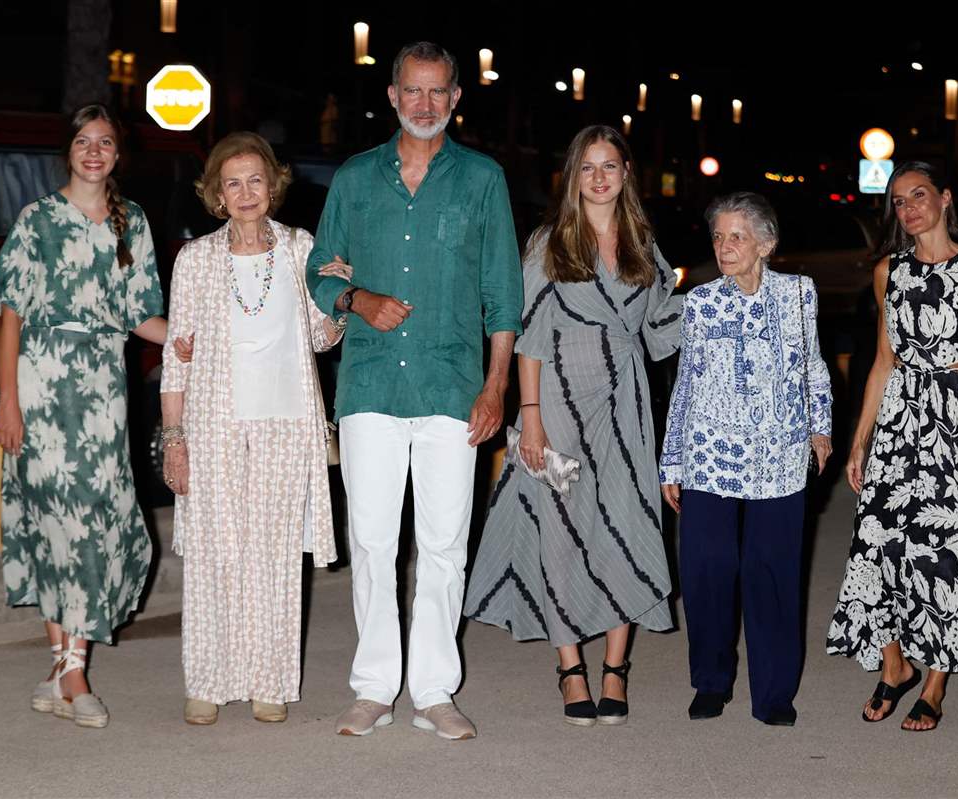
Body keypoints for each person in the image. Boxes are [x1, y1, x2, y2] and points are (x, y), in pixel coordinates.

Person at [305, 41, 523, 741]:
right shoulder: (356, 178)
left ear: (456, 99)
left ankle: (433, 689)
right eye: (413, 92)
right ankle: (374, 686)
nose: (425, 105)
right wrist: (357, 298)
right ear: (393, 97)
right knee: (371, 539)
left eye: (438, 93)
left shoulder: (482, 180)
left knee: (443, 542)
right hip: (370, 383)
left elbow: (504, 294)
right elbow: (320, 269)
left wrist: (496, 387)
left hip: (452, 385)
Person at [463, 125, 681, 727]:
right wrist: (529, 421)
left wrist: (731, 300)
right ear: (573, 176)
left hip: (627, 406)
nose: (599, 177)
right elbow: (528, 339)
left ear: (627, 173)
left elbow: (665, 328)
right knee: (560, 533)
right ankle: (569, 668)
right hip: (557, 401)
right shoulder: (549, 243)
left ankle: (616, 668)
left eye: (609, 166)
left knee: (629, 526)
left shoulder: (642, 243)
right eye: (588, 168)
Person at [826, 161, 958, 731]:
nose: (909, 208)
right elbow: (881, 361)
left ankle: (935, 682)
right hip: (900, 419)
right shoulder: (888, 272)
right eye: (898, 201)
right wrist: (859, 442)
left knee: (949, 546)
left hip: (956, 415)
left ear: (945, 199)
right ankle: (893, 664)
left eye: (918, 195)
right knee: (882, 541)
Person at [0, 104, 171, 728]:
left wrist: (193, 338)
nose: (94, 151)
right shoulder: (37, 220)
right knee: (55, 522)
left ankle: (60, 671)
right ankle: (74, 673)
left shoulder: (131, 222)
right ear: (68, 151)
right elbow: (10, 313)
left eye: (106, 142)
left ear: (119, 154)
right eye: (83, 141)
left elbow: (141, 314)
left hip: (104, 390)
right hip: (40, 384)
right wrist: (9, 401)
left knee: (97, 519)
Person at [159, 132, 350, 725]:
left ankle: (269, 680)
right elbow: (176, 355)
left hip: (287, 426)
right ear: (216, 194)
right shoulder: (196, 259)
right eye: (232, 183)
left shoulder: (300, 249)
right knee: (217, 556)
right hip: (214, 425)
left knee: (272, 559)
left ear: (273, 187)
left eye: (255, 181)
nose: (244, 193)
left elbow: (321, 338)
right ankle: (209, 681)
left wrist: (339, 295)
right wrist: (174, 439)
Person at [659, 192, 833, 727]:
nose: (725, 246)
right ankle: (711, 681)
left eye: (737, 236)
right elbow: (685, 383)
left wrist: (820, 427)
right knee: (708, 568)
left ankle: (774, 693)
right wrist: (672, 461)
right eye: (718, 236)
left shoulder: (799, 294)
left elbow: (813, 365)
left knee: (772, 572)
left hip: (779, 451)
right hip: (709, 451)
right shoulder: (702, 301)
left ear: (766, 243)